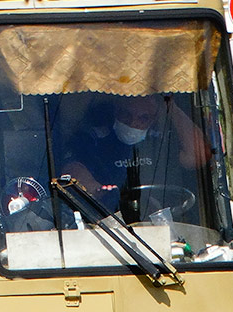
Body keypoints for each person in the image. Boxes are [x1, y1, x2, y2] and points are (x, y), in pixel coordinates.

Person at [60, 93, 210, 223]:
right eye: (126, 114)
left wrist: (170, 107)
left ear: (154, 119)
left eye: (143, 118)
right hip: (107, 222)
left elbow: (196, 156)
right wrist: (97, 190)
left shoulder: (161, 141)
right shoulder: (92, 139)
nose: (133, 123)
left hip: (160, 222)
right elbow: (72, 171)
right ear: (115, 111)